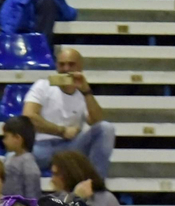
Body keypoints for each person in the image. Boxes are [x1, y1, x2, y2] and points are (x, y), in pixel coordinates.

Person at [23, 49, 114, 183]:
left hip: (71, 149)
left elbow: (96, 121)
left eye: (71, 65)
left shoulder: (83, 93)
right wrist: (62, 131)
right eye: (62, 64)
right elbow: (28, 117)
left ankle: (96, 186)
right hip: (41, 148)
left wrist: (87, 92)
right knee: (13, 158)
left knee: (106, 128)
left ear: (80, 67)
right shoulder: (43, 85)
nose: (66, 69)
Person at [49, 150, 121, 206]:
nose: (53, 179)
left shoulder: (107, 198)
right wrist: (75, 198)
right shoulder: (53, 200)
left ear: (71, 174)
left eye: (56, 174)